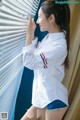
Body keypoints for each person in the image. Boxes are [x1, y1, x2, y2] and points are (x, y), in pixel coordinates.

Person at [21, 0, 70, 120]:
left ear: (51, 18)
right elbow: (34, 53)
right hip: (42, 98)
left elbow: (30, 62)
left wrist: (29, 34)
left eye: (40, 17)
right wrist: (31, 33)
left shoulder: (59, 46)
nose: (37, 21)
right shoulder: (49, 38)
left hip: (54, 100)